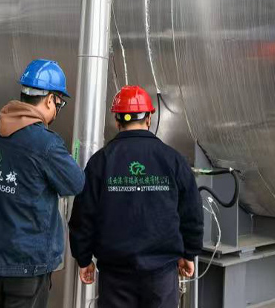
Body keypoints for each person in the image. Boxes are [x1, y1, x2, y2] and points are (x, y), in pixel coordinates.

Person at [0, 59, 85, 308]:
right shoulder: (45, 143)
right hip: (27, 260)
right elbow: (76, 183)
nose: (57, 110)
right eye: (59, 104)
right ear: (50, 100)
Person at [69, 85, 204, 308]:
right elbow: (192, 213)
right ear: (149, 118)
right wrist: (189, 253)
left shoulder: (101, 162)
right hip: (162, 275)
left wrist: (84, 259)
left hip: (115, 277)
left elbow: (83, 216)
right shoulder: (173, 160)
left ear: (117, 120)